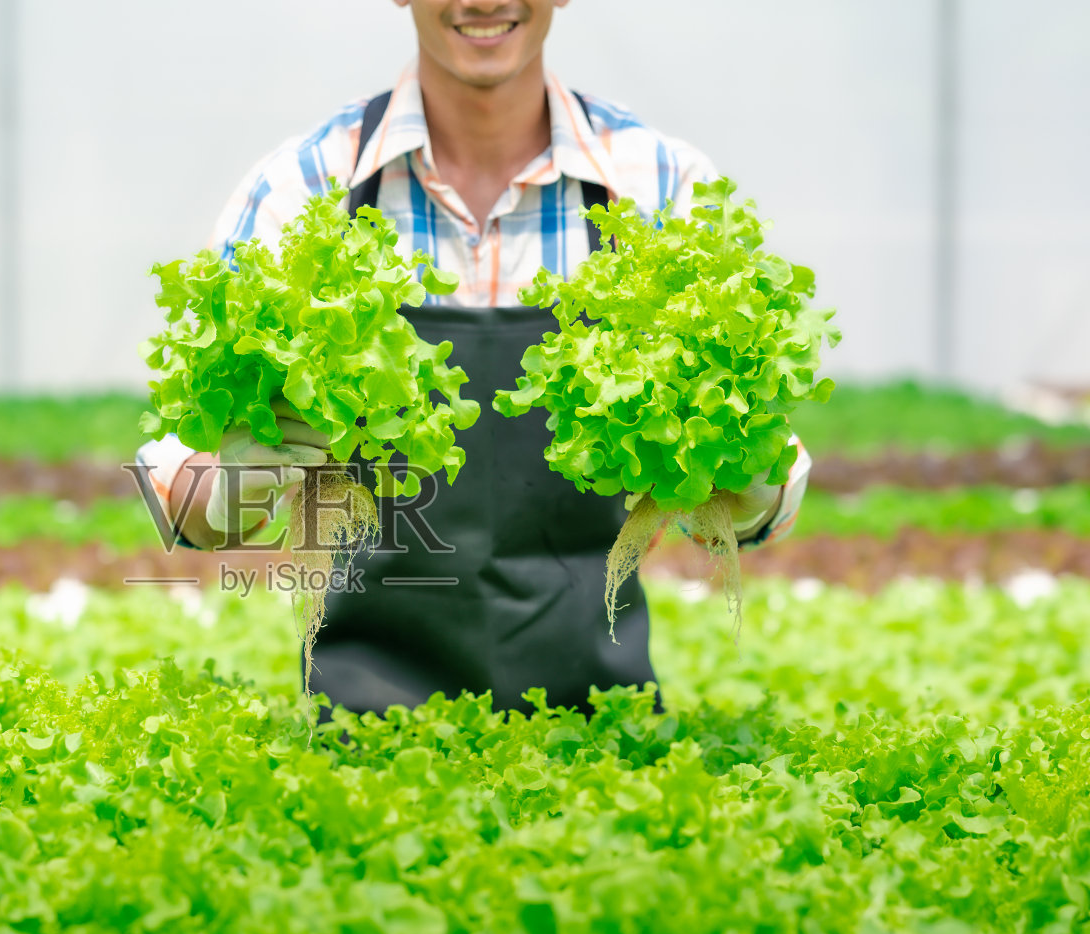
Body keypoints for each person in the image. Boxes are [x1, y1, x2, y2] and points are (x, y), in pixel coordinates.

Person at [136, 0, 810, 716]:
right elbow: (177, 478)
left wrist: (740, 469)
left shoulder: (657, 187)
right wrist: (237, 483)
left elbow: (760, 495)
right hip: (366, 742)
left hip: (599, 740)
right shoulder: (305, 190)